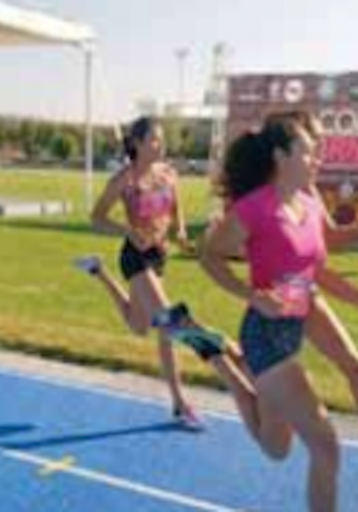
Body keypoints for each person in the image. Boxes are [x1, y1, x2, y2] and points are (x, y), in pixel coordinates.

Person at [163, 114, 358, 511]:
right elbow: (209, 256)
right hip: (268, 334)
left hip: (302, 304)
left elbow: (321, 263)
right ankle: (217, 357)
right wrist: (252, 294)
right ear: (281, 156)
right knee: (291, 448)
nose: (318, 159)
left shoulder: (309, 202)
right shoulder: (254, 208)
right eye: (309, 151)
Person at [73, 116, 207, 430]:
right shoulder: (125, 180)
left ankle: (99, 272)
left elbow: (177, 215)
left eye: (162, 139)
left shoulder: (170, 175)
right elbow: (97, 217)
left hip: (159, 257)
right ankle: (180, 402)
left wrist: (183, 237)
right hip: (136, 257)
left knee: (138, 325)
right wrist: (127, 231)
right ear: (136, 143)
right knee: (168, 321)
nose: (161, 145)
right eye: (154, 140)